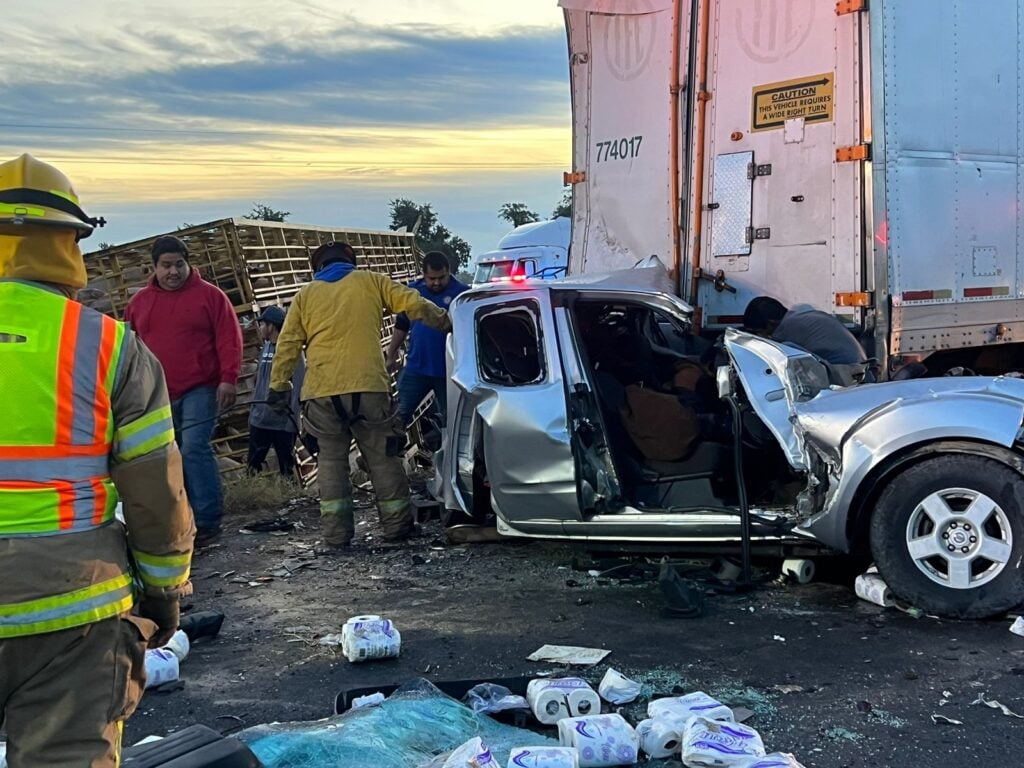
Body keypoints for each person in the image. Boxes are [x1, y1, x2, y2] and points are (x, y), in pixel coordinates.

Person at [0, 154, 194, 768]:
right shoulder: (108, 346)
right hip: (72, 617)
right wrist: (164, 595)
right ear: (71, 242)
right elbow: (154, 493)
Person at [268, 241, 451, 547]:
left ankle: (337, 537)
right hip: (369, 387)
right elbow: (413, 303)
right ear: (350, 261)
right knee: (383, 458)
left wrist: (279, 386)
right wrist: (446, 321)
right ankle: (397, 529)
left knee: (330, 465)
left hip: (323, 393)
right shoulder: (371, 280)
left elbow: (286, 345)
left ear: (319, 267)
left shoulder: (305, 296)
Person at [125, 235, 243, 542]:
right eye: (166, 266)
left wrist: (228, 378)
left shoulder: (210, 297)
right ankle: (182, 517)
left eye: (179, 264)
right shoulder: (139, 304)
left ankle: (208, 520)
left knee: (193, 447)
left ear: (189, 263)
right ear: (154, 268)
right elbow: (130, 348)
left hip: (200, 388)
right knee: (168, 453)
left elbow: (229, 338)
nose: (173, 272)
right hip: (157, 392)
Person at [385, 250, 469, 426]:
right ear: (424, 275)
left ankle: (447, 451)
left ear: (449, 272)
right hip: (416, 368)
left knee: (454, 421)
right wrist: (391, 354)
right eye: (432, 278)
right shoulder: (413, 292)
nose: (437, 282)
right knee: (397, 417)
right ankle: (392, 450)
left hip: (450, 372)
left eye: (441, 277)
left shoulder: (462, 295)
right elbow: (402, 325)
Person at [742, 296, 870, 385]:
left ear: (771, 324)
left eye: (759, 332)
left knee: (784, 352)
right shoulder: (802, 316)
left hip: (848, 377)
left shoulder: (786, 329)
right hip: (860, 371)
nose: (761, 337)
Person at [247, 305, 304, 476]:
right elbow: (260, 383)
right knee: (252, 467)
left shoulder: (291, 350)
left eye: (263, 324)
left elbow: (298, 386)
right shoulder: (265, 347)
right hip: (260, 420)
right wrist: (253, 413)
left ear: (271, 326)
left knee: (287, 467)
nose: (261, 328)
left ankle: (293, 499)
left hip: (282, 422)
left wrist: (292, 420)